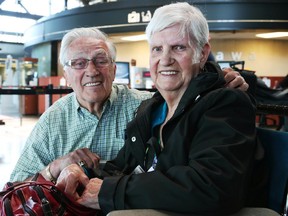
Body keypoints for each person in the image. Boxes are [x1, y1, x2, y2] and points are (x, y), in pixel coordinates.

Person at [56, 3, 261, 216]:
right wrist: (82, 172)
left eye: (179, 47)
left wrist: (110, 191)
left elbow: (212, 187)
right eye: (157, 49)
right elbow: (122, 167)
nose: (165, 59)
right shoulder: (150, 110)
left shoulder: (223, 103)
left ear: (202, 53)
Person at [10, 25, 248, 183]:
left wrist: (217, 81)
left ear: (114, 68)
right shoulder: (53, 121)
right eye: (79, 63)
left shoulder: (146, 107)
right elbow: (14, 188)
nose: (92, 71)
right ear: (66, 73)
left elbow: (192, 106)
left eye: (100, 60)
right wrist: (54, 168)